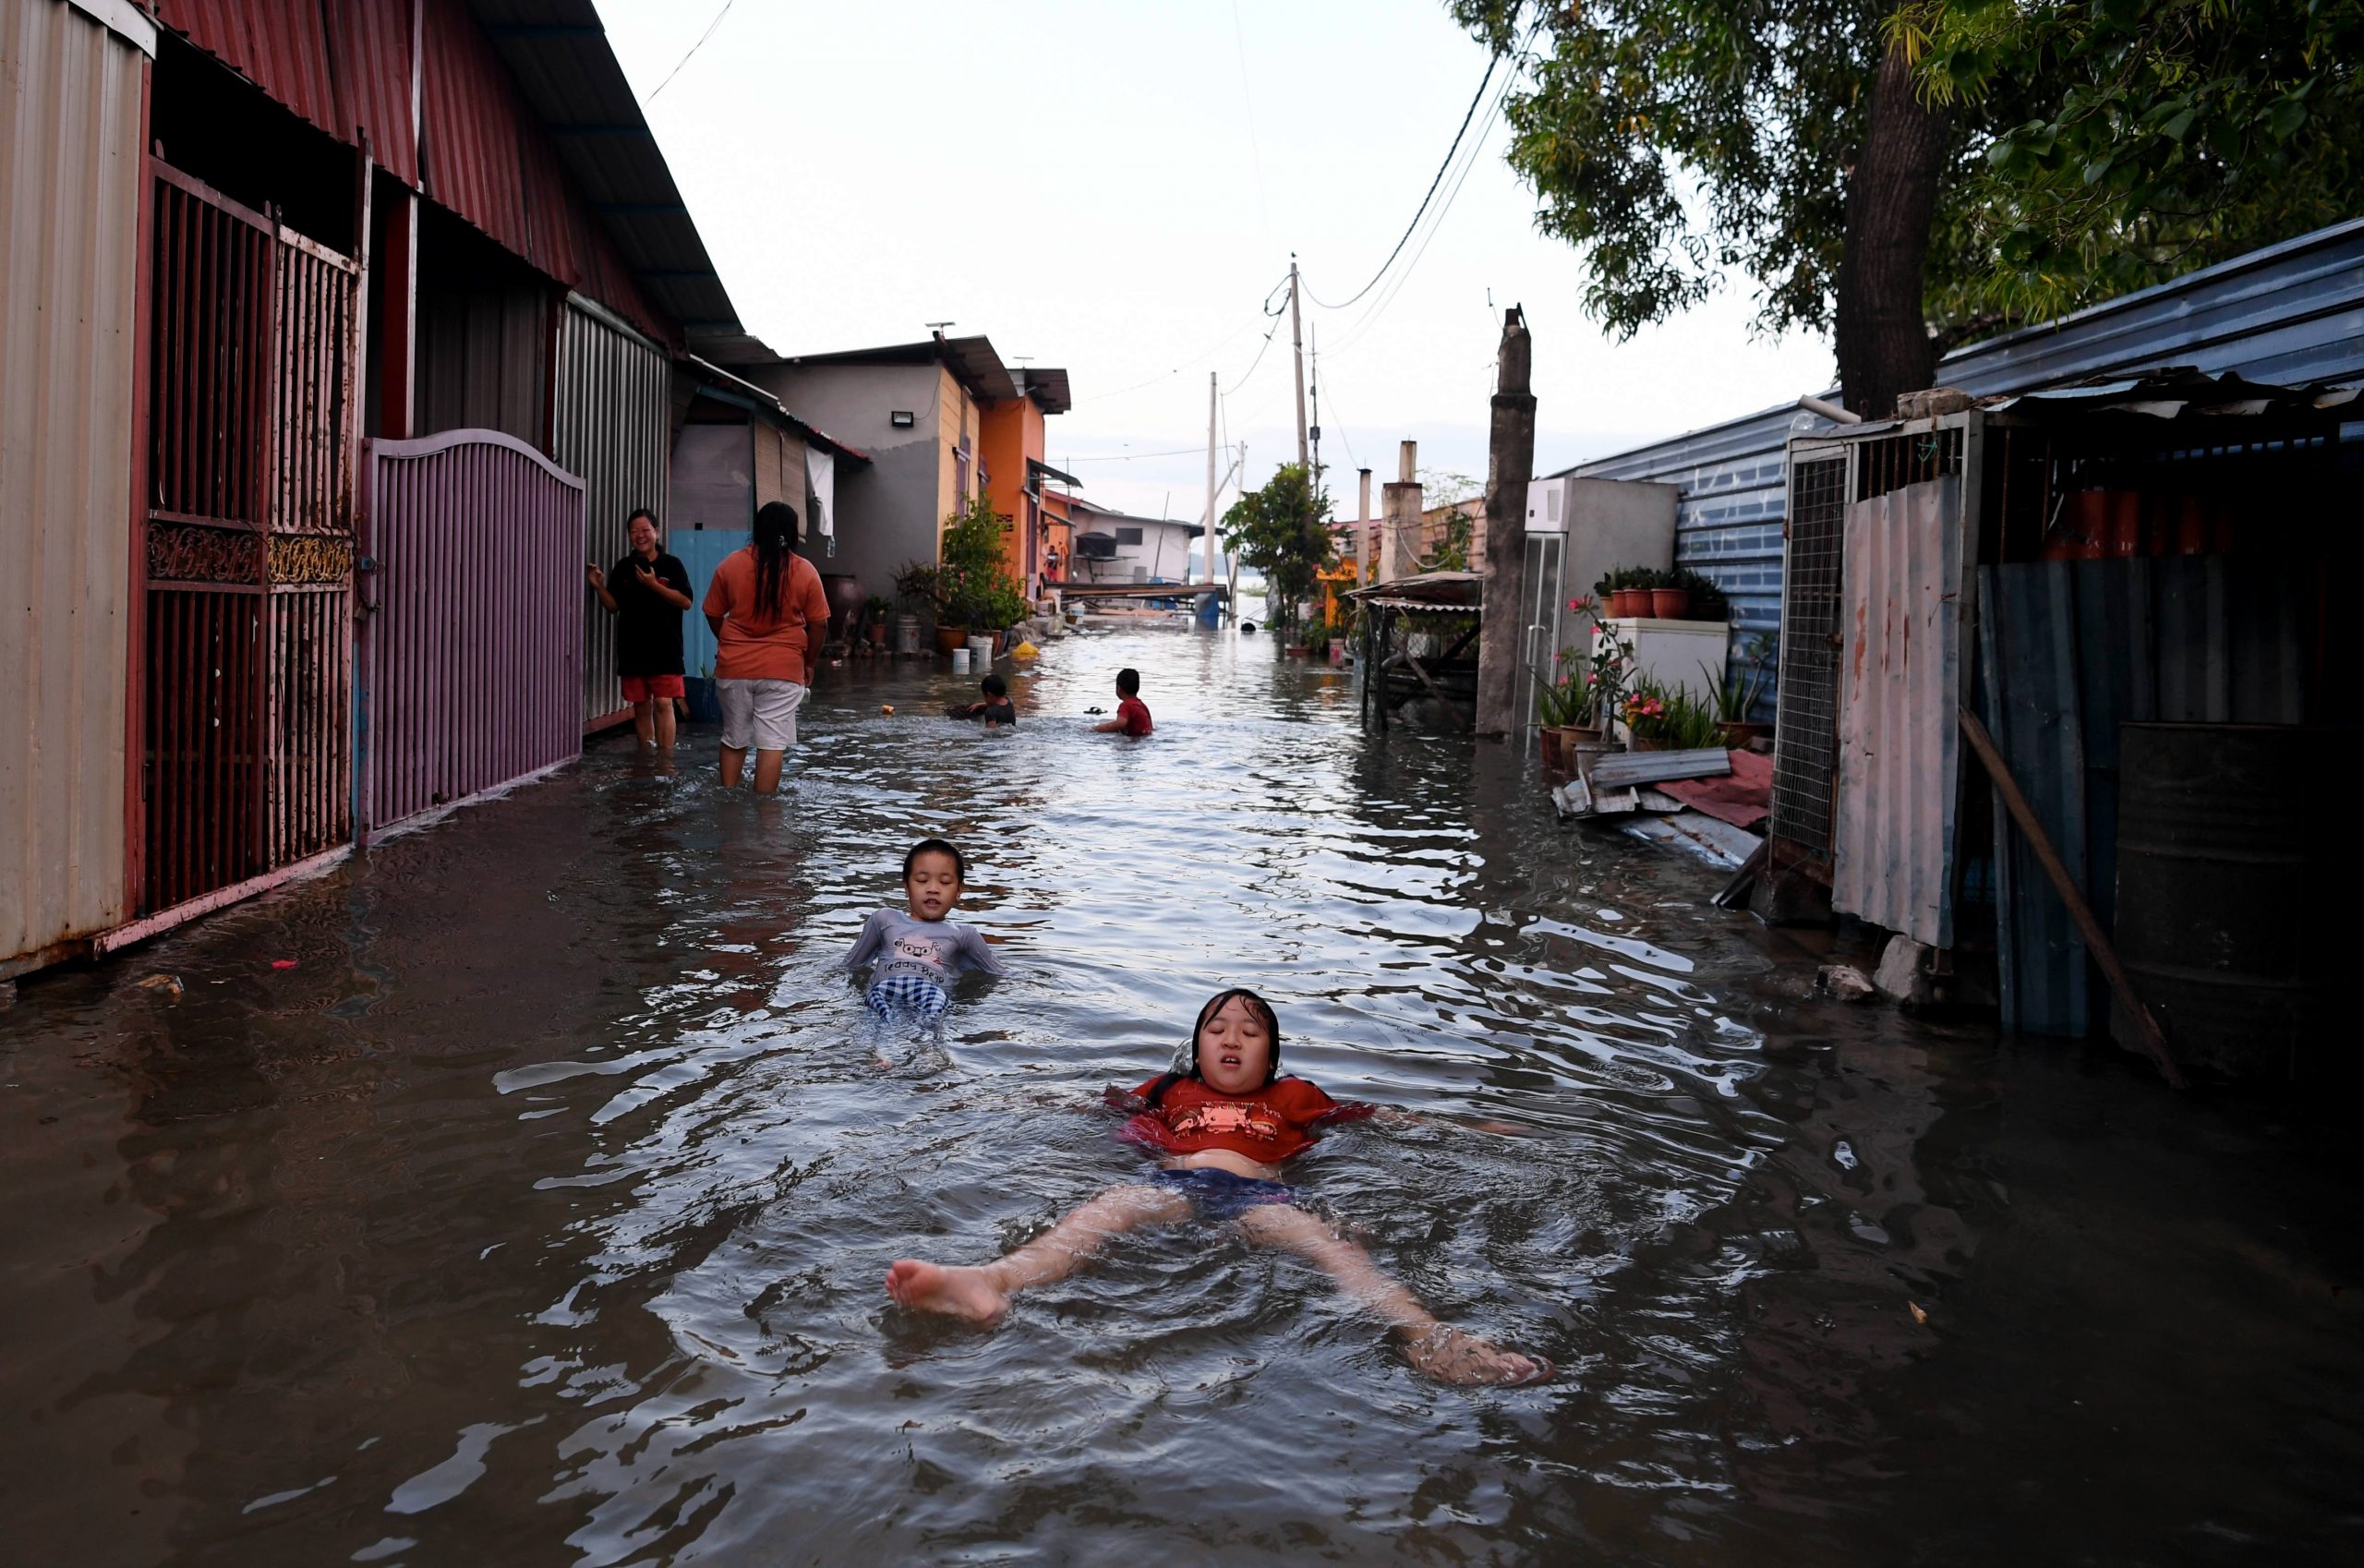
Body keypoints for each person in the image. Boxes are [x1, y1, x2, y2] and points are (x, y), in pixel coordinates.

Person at [884, 988, 1551, 1386]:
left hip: (1261, 1195)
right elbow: (1087, 1107)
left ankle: (1429, 1338)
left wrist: (1470, 1126)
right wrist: (998, 1102)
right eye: (1217, 1028)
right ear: (1197, 1046)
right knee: (1093, 1216)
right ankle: (989, 1282)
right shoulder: (1170, 1089)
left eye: (1250, 1030)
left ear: (1273, 1053)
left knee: (1337, 1251)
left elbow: (1381, 1120)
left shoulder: (1294, 1096)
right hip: (1169, 1185)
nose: (1232, 1037)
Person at [702, 501, 831, 793]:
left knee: (734, 738)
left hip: (734, 667)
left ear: (757, 530)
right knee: (771, 743)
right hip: (783, 670)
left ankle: (729, 807)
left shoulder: (731, 565)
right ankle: (764, 819)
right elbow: (819, 625)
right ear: (792, 533)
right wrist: (809, 662)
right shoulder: (805, 571)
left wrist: (729, 642)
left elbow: (711, 612)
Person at [839, 839, 1006, 1023]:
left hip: (932, 990)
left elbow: (998, 973)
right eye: (921, 880)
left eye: (945, 882)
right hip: (885, 986)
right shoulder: (884, 919)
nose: (933, 889)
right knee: (876, 1018)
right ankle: (877, 1050)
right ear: (906, 887)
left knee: (933, 1020)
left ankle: (930, 1049)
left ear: (959, 891)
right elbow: (852, 964)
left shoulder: (964, 934)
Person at [587, 508, 693, 753]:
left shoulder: (672, 565)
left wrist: (653, 585)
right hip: (633, 648)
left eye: (645, 530)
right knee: (641, 706)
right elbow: (613, 606)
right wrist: (599, 586)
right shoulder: (624, 567)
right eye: (634, 531)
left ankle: (665, 760)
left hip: (666, 648)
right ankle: (646, 757)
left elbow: (686, 602)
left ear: (656, 532)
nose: (640, 535)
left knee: (665, 704)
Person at [1090, 667, 1152, 736]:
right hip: (1144, 738)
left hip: (1135, 740)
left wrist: (1095, 729)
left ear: (1119, 688)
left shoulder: (1126, 705)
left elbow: (1120, 724)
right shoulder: (1142, 705)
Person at [947, 673, 1018, 729]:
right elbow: (999, 705)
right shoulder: (1009, 701)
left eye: (984, 696)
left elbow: (991, 733)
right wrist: (980, 704)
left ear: (989, 695)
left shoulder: (990, 712)